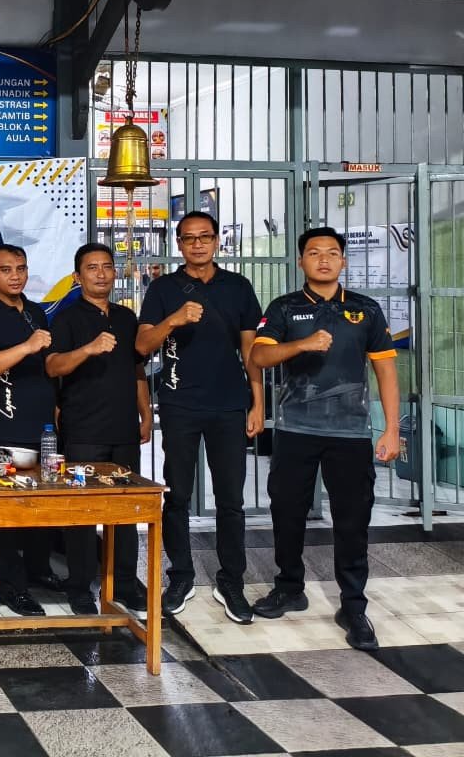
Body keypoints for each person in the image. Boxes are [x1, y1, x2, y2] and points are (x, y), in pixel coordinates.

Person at [249, 226, 399, 651]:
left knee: (352, 518)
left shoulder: (366, 310)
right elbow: (259, 355)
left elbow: (386, 370)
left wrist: (391, 428)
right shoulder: (285, 307)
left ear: (343, 261)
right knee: (287, 511)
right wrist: (302, 345)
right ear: (301, 261)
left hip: (350, 433)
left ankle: (353, 605)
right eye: (314, 253)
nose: (324, 259)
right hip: (296, 430)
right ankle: (289, 587)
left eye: (332, 253)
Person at [136, 211, 264, 623]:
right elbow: (142, 345)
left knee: (231, 500)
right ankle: (181, 576)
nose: (197, 244)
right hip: (180, 404)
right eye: (189, 238)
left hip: (229, 405)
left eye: (204, 237)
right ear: (178, 244)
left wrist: (258, 401)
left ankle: (231, 581)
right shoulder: (163, 288)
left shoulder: (238, 287)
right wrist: (174, 319)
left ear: (216, 240)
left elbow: (252, 351)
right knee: (176, 495)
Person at [46, 243, 151, 616]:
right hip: (83, 432)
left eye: (107, 266)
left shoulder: (126, 318)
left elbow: (136, 370)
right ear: (78, 276)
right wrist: (87, 349)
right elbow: (53, 366)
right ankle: (79, 587)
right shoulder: (66, 319)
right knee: (82, 511)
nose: (102, 273)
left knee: (125, 511)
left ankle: (124, 583)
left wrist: (145, 413)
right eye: (92, 268)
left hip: (123, 430)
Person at [0, 243, 59, 617]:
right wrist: (27, 346)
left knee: (39, 506)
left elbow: (46, 369)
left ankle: (38, 571)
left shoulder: (36, 312)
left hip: (40, 429)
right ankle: (12, 587)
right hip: (1, 429)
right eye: (6, 269)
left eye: (20, 268)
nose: (15, 276)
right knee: (5, 511)